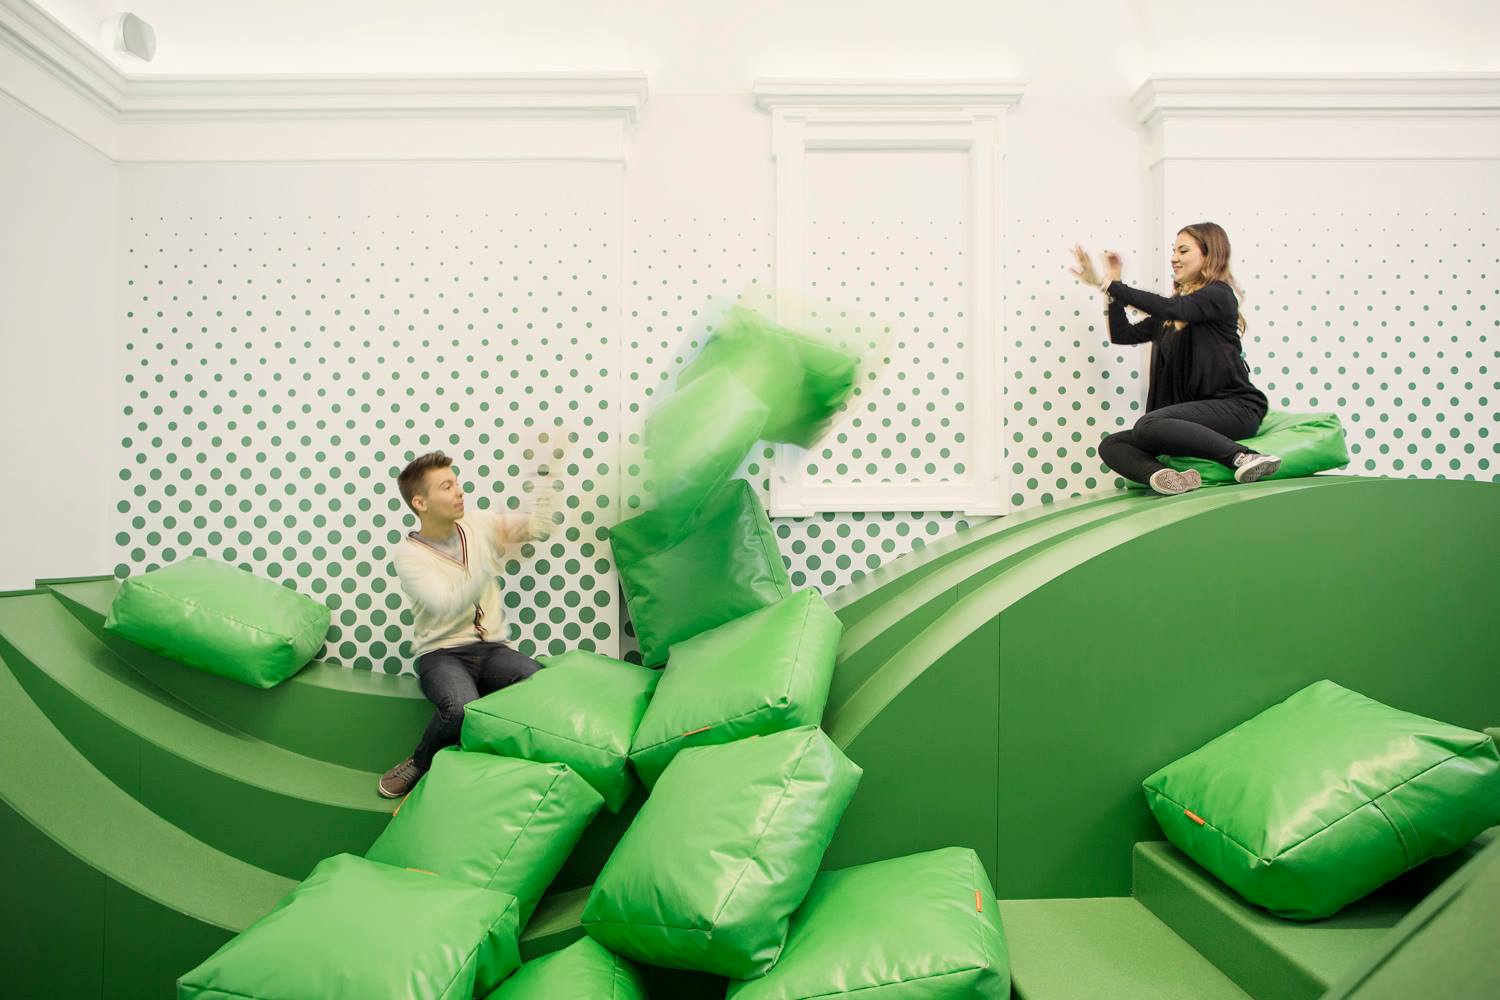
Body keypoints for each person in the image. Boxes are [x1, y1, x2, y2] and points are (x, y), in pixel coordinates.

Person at [377, 450, 558, 798]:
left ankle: (496, 766)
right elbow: (445, 604)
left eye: (457, 482)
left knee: (537, 680)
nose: (459, 491)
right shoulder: (409, 556)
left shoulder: (478, 523)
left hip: (491, 651)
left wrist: (545, 479)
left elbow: (536, 527)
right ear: (420, 502)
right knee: (458, 706)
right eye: (446, 486)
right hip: (441, 654)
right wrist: (487, 566)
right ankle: (420, 761)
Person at [1069, 222, 1281, 495]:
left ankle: (1244, 457)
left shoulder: (1219, 295)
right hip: (1192, 419)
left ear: (1209, 254)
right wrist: (1113, 285)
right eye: (1173, 251)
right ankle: (1169, 478)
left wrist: (1107, 284)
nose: (1174, 258)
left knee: (1148, 424)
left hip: (1235, 408)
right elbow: (1122, 334)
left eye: (1183, 250)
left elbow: (1172, 307)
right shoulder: (1169, 319)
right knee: (1113, 444)